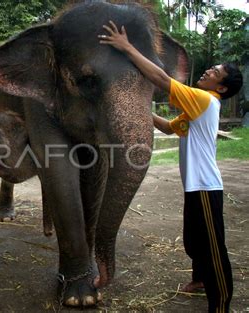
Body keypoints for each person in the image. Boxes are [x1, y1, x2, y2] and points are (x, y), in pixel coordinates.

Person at [98, 21, 243, 312]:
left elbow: (163, 81)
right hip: (195, 185)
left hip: (206, 186)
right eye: (210, 68)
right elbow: (166, 127)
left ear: (222, 87)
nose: (207, 71)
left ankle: (221, 303)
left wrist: (127, 47)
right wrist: (140, 105)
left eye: (214, 72)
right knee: (194, 239)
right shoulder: (196, 109)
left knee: (214, 248)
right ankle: (201, 280)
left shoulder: (205, 100)